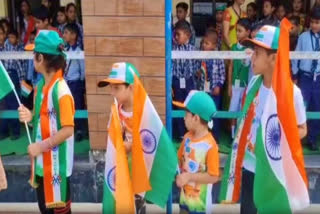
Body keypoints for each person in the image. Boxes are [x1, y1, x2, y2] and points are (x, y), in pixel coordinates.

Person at [238, 24, 307, 214]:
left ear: (273, 58)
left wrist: (277, 142)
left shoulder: (292, 93)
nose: (252, 58)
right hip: (251, 166)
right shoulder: (254, 83)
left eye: (257, 53)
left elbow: (301, 128)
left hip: (275, 170)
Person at [20, 30, 75, 214]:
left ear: (41, 58)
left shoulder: (62, 91)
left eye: (34, 55)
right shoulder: (41, 87)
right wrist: (29, 116)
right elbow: (40, 118)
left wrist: (41, 146)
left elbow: (68, 130)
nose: (32, 59)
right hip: (42, 168)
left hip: (57, 169)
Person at [97, 62, 147, 214]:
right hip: (118, 176)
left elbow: (150, 144)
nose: (112, 92)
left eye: (116, 88)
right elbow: (111, 139)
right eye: (111, 87)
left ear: (131, 87)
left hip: (137, 178)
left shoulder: (144, 113)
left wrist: (130, 146)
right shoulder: (115, 111)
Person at [174, 90, 220, 214]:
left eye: (186, 114)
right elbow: (179, 161)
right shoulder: (187, 138)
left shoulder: (210, 146)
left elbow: (214, 176)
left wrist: (189, 176)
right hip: (184, 202)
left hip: (201, 207)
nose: (184, 118)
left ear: (196, 118)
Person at [292, 7, 320, 151]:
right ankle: (298, 136)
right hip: (305, 77)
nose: (315, 25)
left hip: (318, 78)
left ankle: (312, 138)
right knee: (301, 106)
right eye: (313, 22)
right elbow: (296, 56)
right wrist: (295, 75)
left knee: (317, 106)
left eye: (318, 22)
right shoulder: (303, 37)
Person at [172, 20, 200, 141]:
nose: (176, 37)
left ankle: (190, 131)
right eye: (175, 34)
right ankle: (180, 133)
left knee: (189, 107)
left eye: (179, 34)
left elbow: (196, 65)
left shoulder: (193, 49)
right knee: (178, 106)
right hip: (177, 81)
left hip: (189, 81)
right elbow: (171, 66)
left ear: (187, 35)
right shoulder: (172, 49)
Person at [196, 29, 225, 142]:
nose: (204, 45)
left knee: (214, 114)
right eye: (203, 42)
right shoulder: (200, 56)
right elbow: (196, 70)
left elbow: (222, 74)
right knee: (202, 114)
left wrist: (219, 86)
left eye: (207, 43)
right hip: (203, 91)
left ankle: (215, 137)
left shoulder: (218, 57)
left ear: (214, 45)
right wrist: (197, 73)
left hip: (214, 92)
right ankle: (203, 136)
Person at [228, 18, 251, 140]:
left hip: (246, 85)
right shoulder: (233, 47)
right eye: (237, 30)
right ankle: (233, 134)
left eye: (240, 31)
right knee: (233, 108)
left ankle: (241, 133)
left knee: (243, 109)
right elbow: (231, 66)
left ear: (248, 32)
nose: (237, 33)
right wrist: (229, 86)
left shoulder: (251, 49)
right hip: (235, 85)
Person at [0, 29, 25, 141]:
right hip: (2, 77)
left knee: (13, 103)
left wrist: (21, 79)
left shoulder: (9, 46)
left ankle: (15, 131)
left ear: (4, 34)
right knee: (2, 105)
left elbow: (18, 64)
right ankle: (3, 131)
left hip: (11, 75)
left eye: (1, 33)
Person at [63, 23, 86, 141]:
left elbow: (83, 68)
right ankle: (70, 129)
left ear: (74, 35)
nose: (64, 35)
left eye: (67, 33)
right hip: (66, 82)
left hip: (76, 82)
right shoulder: (65, 49)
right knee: (68, 107)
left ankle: (80, 130)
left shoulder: (78, 51)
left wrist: (82, 81)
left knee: (78, 105)